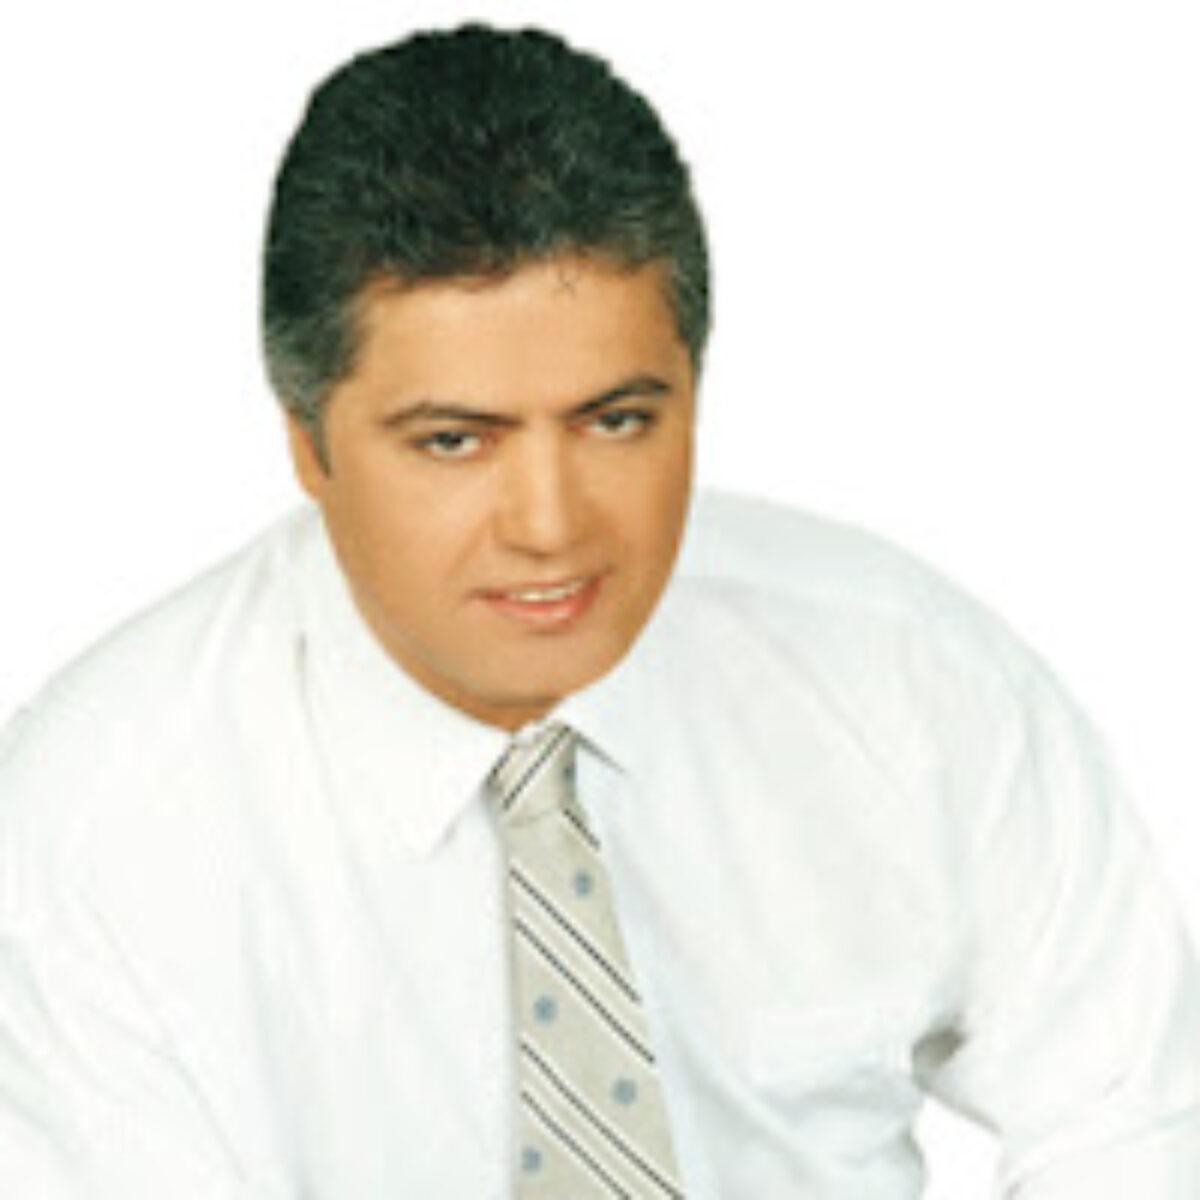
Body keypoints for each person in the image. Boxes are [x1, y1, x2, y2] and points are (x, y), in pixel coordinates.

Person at [0, 22, 1196, 1198]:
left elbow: (1132, 1114)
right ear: (308, 444)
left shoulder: (906, 677)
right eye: (455, 441)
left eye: (616, 421)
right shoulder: (101, 820)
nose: (550, 525)